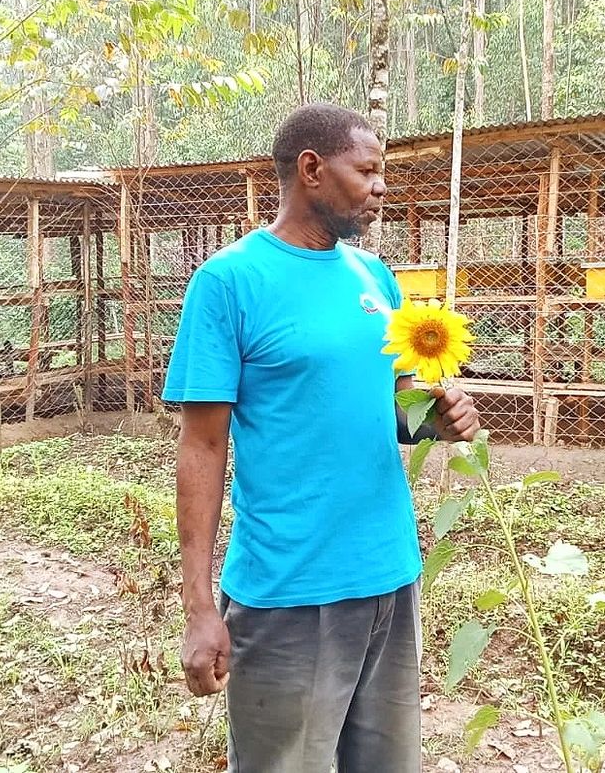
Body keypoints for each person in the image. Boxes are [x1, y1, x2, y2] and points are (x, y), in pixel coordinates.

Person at [164, 102, 480, 772]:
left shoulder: (376, 279)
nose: (381, 186)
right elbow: (202, 447)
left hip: (391, 578)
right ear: (312, 169)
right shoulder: (229, 282)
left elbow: (396, 408)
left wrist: (439, 417)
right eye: (367, 170)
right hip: (288, 594)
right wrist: (197, 608)